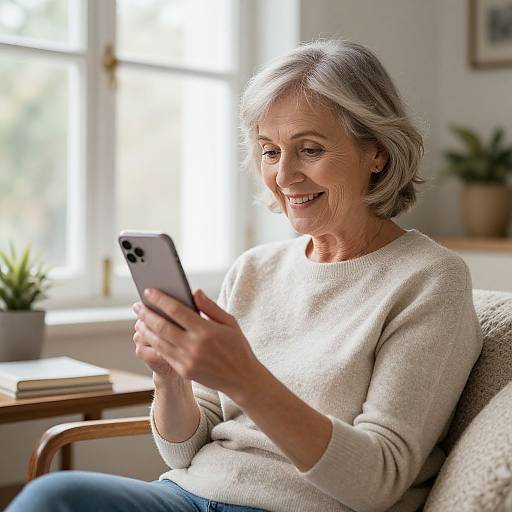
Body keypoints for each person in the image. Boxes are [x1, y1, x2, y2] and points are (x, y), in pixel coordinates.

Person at [6, 38, 483, 512]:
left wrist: (244, 379)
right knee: (56, 495)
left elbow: (379, 480)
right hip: (189, 496)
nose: (284, 175)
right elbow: (183, 452)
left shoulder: (430, 280)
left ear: (376, 153)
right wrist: (170, 377)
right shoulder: (255, 269)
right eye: (270, 151)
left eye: (310, 149)